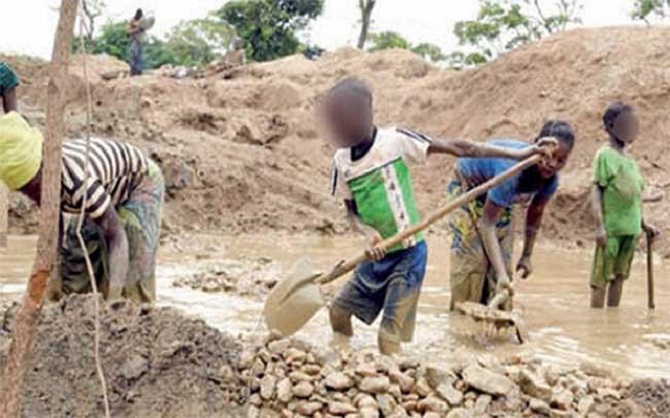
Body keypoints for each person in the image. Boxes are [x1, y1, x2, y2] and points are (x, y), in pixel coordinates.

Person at [323, 77, 553, 355]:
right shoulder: (341, 162)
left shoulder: (396, 141)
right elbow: (351, 213)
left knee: (388, 337)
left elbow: (461, 148)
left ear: (367, 113)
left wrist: (517, 154)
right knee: (337, 313)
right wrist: (367, 232)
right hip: (377, 255)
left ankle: (395, 384)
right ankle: (344, 358)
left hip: (408, 255)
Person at [0, 111, 164, 303]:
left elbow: (117, 235)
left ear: (44, 168)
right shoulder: (43, 184)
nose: (32, 195)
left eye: (33, 187)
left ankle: (131, 311)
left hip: (138, 182)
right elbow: (54, 239)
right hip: (99, 187)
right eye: (24, 191)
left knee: (132, 273)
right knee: (75, 262)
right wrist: (42, 291)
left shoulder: (80, 183)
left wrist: (113, 302)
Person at [448, 120, 575, 311]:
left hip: (501, 198)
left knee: (503, 271)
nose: (552, 164)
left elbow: (535, 215)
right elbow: (487, 224)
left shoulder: (550, 181)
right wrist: (500, 273)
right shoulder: (512, 169)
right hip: (469, 189)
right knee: (472, 264)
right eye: (548, 156)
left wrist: (526, 256)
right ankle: (462, 323)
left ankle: (496, 320)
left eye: (561, 160)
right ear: (537, 145)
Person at [590, 102, 660, 308]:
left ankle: (612, 316)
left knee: (619, 277)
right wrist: (599, 226)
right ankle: (597, 325)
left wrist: (644, 225)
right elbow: (596, 191)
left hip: (631, 230)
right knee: (601, 279)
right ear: (612, 127)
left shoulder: (631, 161)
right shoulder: (605, 155)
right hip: (611, 231)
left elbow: (634, 198)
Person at [127, 9, 155, 76]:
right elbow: (128, 32)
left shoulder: (143, 22)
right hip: (134, 40)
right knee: (134, 55)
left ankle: (139, 71)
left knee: (139, 57)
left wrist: (141, 28)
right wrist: (136, 29)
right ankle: (133, 72)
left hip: (140, 41)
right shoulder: (132, 21)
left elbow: (146, 27)